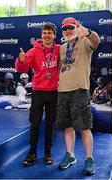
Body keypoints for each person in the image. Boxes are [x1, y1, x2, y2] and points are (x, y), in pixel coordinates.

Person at [56, 17, 100, 175]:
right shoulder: (61, 47)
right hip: (63, 92)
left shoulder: (84, 41)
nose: (68, 31)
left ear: (76, 28)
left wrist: (88, 32)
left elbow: (95, 42)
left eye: (70, 27)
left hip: (80, 90)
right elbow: (62, 66)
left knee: (84, 127)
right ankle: (70, 155)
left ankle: (89, 159)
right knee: (67, 127)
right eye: (65, 28)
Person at [15, 22, 60, 166]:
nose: (47, 35)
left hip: (53, 92)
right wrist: (20, 60)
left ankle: (48, 152)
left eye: (49, 33)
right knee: (35, 124)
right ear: (42, 35)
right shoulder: (34, 50)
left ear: (54, 35)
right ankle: (32, 152)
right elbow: (22, 67)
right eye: (44, 33)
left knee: (50, 125)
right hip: (38, 92)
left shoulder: (59, 49)